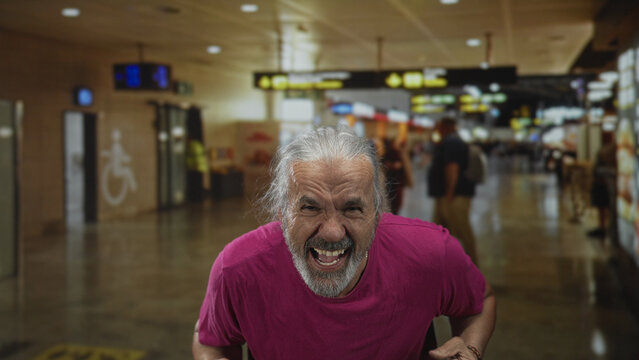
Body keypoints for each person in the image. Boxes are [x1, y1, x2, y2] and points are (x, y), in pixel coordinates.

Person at [193, 126, 496, 360]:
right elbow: (211, 340)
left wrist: (470, 349)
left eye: (352, 209)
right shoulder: (238, 268)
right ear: (283, 214)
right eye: (311, 208)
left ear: (377, 214)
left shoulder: (430, 253)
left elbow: (479, 301)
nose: (333, 231)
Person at [427, 118, 478, 265]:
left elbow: (452, 168)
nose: (437, 129)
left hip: (454, 196)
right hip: (446, 195)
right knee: (441, 231)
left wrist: (450, 192)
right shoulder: (449, 141)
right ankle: (445, 265)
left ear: (446, 127)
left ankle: (471, 265)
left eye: (439, 126)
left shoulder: (452, 142)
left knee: (461, 229)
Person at [587, 131, 617, 238]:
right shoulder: (610, 148)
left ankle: (606, 228)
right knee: (604, 207)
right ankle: (604, 228)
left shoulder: (609, 149)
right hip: (603, 182)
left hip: (606, 183)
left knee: (607, 207)